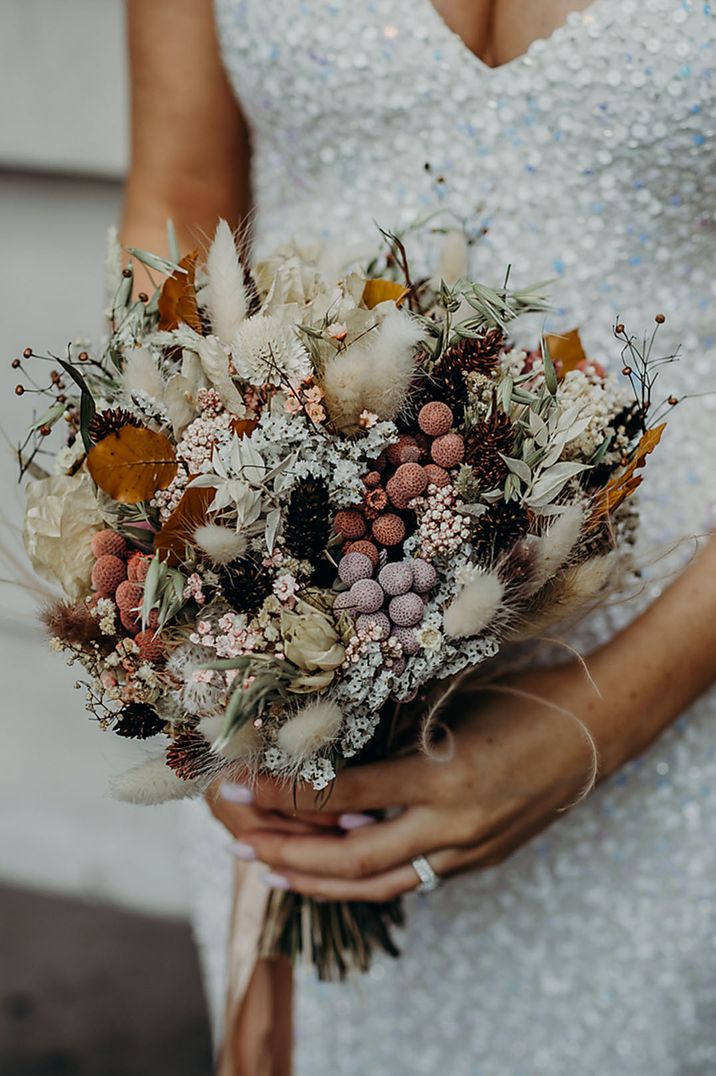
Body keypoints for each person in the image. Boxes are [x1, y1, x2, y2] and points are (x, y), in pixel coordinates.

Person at [121, 1, 716, 1072]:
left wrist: (600, 720)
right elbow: (178, 198)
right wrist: (201, 596)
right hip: (301, 648)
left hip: (683, 671)